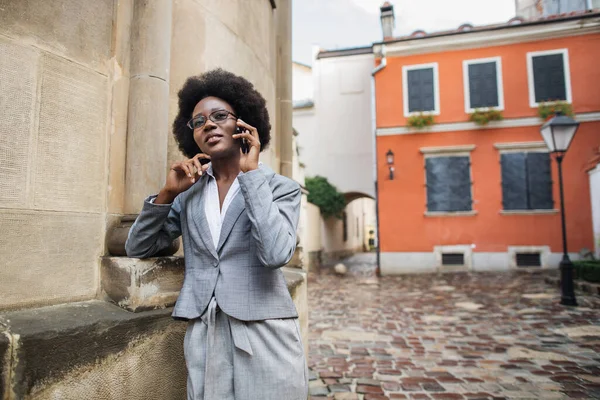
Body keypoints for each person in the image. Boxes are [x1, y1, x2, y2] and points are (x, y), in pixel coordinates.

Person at [125, 69, 308, 400]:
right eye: (198, 121)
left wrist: (251, 176)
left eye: (219, 116)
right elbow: (139, 246)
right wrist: (167, 195)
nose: (207, 124)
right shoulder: (189, 195)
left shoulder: (280, 188)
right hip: (204, 331)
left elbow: (277, 253)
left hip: (264, 329)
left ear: (243, 124)